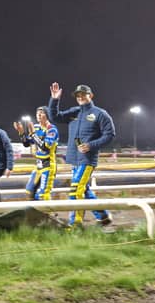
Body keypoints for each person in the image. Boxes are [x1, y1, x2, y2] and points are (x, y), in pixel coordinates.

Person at [48, 83, 116, 228]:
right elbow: (54, 117)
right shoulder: (74, 112)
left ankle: (76, 224)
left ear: (90, 96)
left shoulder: (100, 114)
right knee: (83, 189)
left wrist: (91, 145)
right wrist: (54, 100)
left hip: (87, 160)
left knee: (75, 191)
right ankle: (103, 216)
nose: (80, 97)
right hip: (74, 159)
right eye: (78, 96)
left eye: (83, 95)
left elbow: (109, 135)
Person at [13, 107, 59, 200]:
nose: (38, 114)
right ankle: (39, 213)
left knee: (43, 195)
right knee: (29, 191)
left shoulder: (52, 130)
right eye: (37, 113)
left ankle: (49, 213)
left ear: (47, 115)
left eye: (41, 113)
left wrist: (33, 134)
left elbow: (45, 147)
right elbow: (27, 143)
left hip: (48, 166)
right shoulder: (37, 127)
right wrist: (21, 133)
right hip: (38, 166)